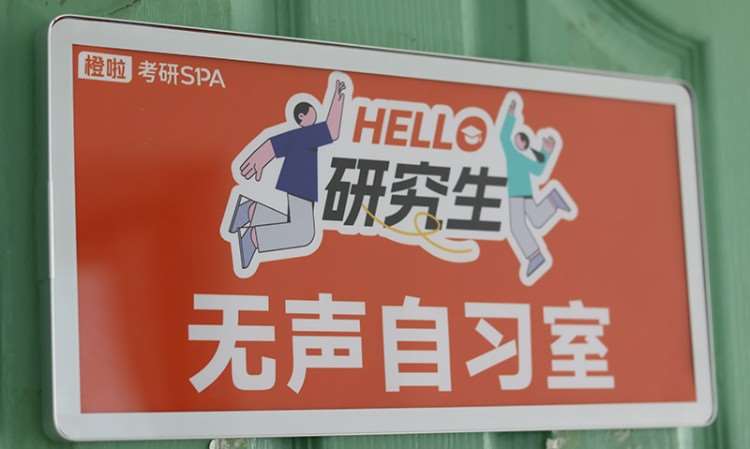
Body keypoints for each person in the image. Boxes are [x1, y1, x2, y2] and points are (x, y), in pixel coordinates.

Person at [228, 80, 346, 268]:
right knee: (303, 233)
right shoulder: (307, 135)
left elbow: (274, 144)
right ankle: (254, 237)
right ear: (302, 116)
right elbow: (332, 131)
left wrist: (261, 157)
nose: (315, 115)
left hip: (298, 184)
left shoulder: (301, 135)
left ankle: (249, 211)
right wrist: (338, 98)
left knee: (293, 223)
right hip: (300, 184)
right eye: (311, 112)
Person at [502, 98, 571, 278]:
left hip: (517, 194)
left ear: (522, 145)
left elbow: (504, 136)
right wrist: (510, 115)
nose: (516, 140)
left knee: (517, 226)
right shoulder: (518, 156)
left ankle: (535, 257)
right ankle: (553, 200)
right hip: (523, 193)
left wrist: (546, 151)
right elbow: (505, 136)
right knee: (537, 219)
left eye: (519, 139)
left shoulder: (515, 155)